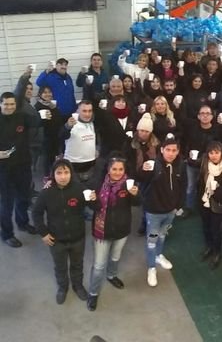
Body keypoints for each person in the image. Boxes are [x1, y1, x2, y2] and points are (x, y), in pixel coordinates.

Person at [32, 159, 91, 304]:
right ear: (53, 174)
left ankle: (78, 286)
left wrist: (94, 199)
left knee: (78, 264)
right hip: (56, 240)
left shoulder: (79, 189)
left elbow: (94, 206)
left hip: (78, 238)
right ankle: (62, 287)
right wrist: (43, 233)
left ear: (72, 173)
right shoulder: (46, 192)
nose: (63, 176)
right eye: (59, 173)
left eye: (66, 172)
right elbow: (36, 213)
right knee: (60, 266)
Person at [87, 155, 139, 311]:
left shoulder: (129, 185)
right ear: (108, 169)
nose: (117, 172)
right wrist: (92, 200)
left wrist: (135, 195)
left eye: (120, 169)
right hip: (102, 232)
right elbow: (94, 208)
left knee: (115, 257)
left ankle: (111, 276)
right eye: (114, 169)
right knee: (98, 266)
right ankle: (93, 293)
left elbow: (137, 203)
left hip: (121, 230)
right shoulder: (97, 183)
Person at [137, 136, 186, 287]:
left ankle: (159, 256)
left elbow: (183, 186)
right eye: (168, 150)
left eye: (174, 150)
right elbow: (140, 178)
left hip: (170, 211)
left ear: (178, 152)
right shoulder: (153, 165)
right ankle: (151, 268)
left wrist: (178, 205)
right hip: (153, 211)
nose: (171, 153)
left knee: (163, 235)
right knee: (151, 240)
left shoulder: (180, 166)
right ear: (162, 150)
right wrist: (143, 169)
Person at [0, 92, 39, 247]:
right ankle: (7, 233)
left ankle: (22, 223)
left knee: (24, 197)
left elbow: (38, 122)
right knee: (7, 203)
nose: (9, 107)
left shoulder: (22, 117)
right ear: (0, 104)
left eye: (12, 104)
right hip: (4, 169)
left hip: (23, 165)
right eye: (6, 104)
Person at [181, 105, 222, 217]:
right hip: (193, 163)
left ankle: (209, 206)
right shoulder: (192, 128)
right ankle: (189, 207)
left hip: (210, 164)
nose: (205, 116)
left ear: (212, 116)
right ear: (198, 116)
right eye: (202, 113)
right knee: (191, 186)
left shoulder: (217, 130)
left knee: (209, 185)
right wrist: (187, 156)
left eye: (207, 113)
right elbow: (184, 142)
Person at [123, 112, 160, 236]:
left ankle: (146, 223)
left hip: (152, 177)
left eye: (146, 131)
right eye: (141, 130)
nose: (143, 133)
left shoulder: (156, 144)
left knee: (148, 202)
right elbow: (127, 161)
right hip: (136, 176)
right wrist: (136, 171)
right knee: (141, 200)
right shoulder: (130, 144)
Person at [198, 141, 222, 269]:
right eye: (211, 153)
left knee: (216, 230)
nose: (214, 156)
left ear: (221, 153)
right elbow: (200, 184)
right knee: (206, 228)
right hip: (204, 203)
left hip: (219, 205)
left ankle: (217, 253)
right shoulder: (204, 165)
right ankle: (209, 247)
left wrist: (217, 190)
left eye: (216, 152)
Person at [62, 101, 97, 188]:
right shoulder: (72, 123)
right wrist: (67, 126)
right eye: (84, 111)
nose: (87, 114)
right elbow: (61, 135)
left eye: (90, 111)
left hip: (90, 165)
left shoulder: (92, 123)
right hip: (74, 165)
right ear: (77, 111)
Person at [34, 86, 63, 178]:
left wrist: (54, 109)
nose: (48, 94)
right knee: (47, 158)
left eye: (49, 92)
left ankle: (56, 175)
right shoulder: (38, 106)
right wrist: (43, 117)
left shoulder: (52, 105)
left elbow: (58, 119)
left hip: (55, 135)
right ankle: (47, 177)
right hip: (45, 137)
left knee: (56, 156)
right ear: (40, 94)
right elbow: (37, 124)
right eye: (45, 92)